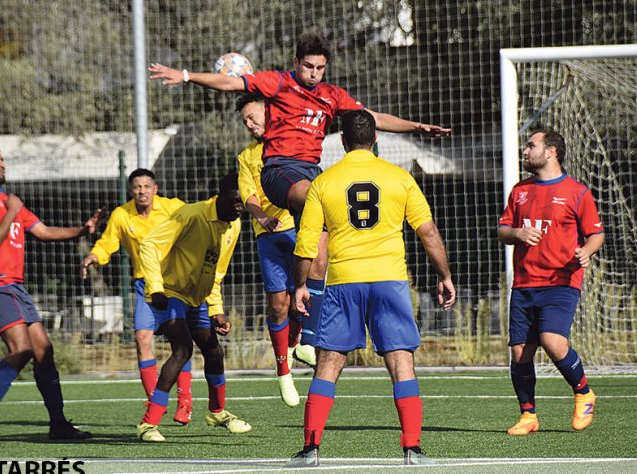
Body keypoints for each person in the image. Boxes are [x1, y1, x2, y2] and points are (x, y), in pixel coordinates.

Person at [149, 32, 451, 351]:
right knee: (318, 198)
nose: (314, 73)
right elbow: (231, 83)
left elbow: (371, 118)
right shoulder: (278, 83)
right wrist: (186, 76)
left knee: (321, 249)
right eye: (308, 66)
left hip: (310, 171)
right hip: (279, 170)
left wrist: (416, 127)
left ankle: (306, 336)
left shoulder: (332, 95)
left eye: (320, 68)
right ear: (296, 62)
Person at [284, 110, 456, 467]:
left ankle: (310, 449)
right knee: (401, 360)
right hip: (389, 280)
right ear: (375, 138)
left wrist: (300, 285)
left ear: (342, 141)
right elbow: (428, 232)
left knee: (328, 362)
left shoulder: (324, 182)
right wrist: (444, 276)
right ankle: (412, 449)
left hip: (343, 283)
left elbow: (307, 244)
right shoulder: (399, 178)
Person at [0, 144, 101, 445]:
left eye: (2, 159)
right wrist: (12, 210)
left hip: (14, 285)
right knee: (22, 349)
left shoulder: (7, 200)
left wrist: (82, 230)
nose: (2, 164)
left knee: (43, 351)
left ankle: (58, 424)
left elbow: (43, 231)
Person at [497, 129, 604, 436]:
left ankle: (584, 393)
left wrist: (586, 251)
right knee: (520, 352)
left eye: (531, 145)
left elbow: (596, 234)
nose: (525, 150)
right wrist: (517, 233)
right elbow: (503, 230)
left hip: (561, 281)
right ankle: (528, 416)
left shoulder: (576, 192)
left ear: (551, 151)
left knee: (553, 341)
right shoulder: (520, 191)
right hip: (524, 283)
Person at [135, 173, 252, 442]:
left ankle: (217, 412)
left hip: (197, 298)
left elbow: (216, 271)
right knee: (183, 349)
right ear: (220, 195)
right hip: (169, 293)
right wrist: (156, 287)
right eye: (235, 201)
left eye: (243, 204)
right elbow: (150, 245)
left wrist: (216, 309)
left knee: (214, 351)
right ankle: (148, 423)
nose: (239, 208)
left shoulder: (233, 225)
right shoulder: (191, 215)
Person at [79, 169, 195, 424]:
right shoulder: (122, 214)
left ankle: (185, 401)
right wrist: (94, 256)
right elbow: (107, 242)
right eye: (137, 187)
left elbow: (197, 223)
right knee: (142, 338)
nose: (142, 191)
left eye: (146, 186)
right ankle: (156, 401)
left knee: (179, 342)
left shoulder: (174, 208)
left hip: (173, 284)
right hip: (145, 286)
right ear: (131, 190)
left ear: (155, 189)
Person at [235, 93, 316, 408]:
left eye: (252, 116)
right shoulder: (247, 157)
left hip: (299, 229)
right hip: (268, 235)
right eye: (245, 120)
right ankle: (283, 371)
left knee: (303, 298)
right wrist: (261, 218)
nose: (249, 124)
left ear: (269, 113)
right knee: (278, 305)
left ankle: (297, 344)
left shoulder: (293, 144)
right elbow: (249, 196)